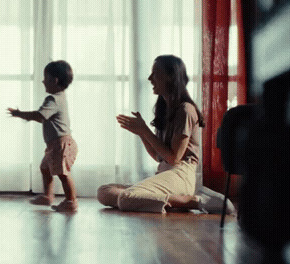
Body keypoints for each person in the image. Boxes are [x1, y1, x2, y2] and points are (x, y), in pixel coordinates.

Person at [97, 54, 234, 213]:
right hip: (165, 171)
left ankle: (196, 201)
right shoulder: (164, 110)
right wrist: (141, 133)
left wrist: (145, 130)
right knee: (104, 191)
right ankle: (172, 199)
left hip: (181, 174)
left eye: (155, 73)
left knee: (125, 198)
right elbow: (158, 156)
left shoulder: (185, 110)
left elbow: (174, 158)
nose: (150, 78)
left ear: (170, 77)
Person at [8, 60, 79, 212]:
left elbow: (41, 116)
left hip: (61, 144)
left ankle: (71, 202)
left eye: (45, 78)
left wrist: (20, 114)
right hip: (55, 145)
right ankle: (48, 196)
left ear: (54, 80)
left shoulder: (53, 99)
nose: (42, 81)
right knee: (45, 168)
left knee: (63, 174)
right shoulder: (60, 97)